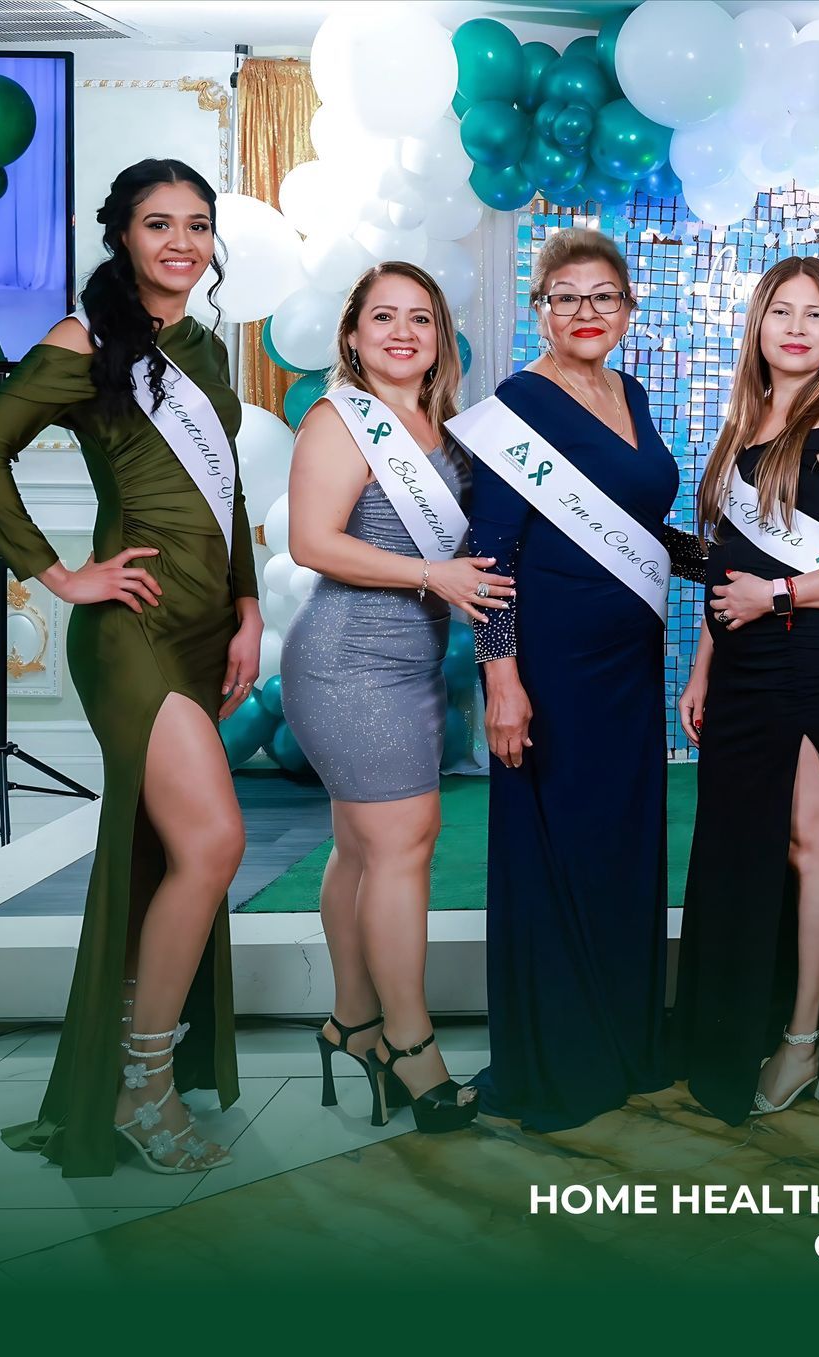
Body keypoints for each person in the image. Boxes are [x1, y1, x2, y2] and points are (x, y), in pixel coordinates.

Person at [0, 160, 260, 1175]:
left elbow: (228, 493)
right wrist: (60, 573)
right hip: (133, 631)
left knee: (168, 852)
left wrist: (247, 606)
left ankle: (130, 1070)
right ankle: (143, 1087)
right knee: (215, 841)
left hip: (205, 627)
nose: (182, 242)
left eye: (197, 224)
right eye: (159, 224)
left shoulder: (204, 347)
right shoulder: (83, 341)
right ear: (120, 236)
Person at [460, 228, 694, 1132]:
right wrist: (503, 680)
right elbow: (490, 555)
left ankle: (624, 1041)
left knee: (618, 845)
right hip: (551, 667)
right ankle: (559, 1060)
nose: (586, 312)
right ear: (541, 311)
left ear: (628, 309)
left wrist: (741, 568)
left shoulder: (630, 393)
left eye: (604, 296)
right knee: (556, 847)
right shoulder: (517, 403)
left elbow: (640, 528)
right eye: (567, 297)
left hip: (630, 664)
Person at [675, 256, 819, 1125]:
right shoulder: (746, 424)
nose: (798, 328)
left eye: (815, 314)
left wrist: (776, 596)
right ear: (758, 326)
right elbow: (726, 563)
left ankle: (807, 1039)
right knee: (747, 841)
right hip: (740, 659)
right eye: (782, 311)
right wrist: (702, 664)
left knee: (812, 840)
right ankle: (740, 1021)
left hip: (813, 655)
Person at [281, 262, 496, 1134]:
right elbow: (310, 541)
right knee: (404, 844)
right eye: (383, 317)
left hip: (411, 662)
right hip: (348, 661)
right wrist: (431, 575)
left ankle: (354, 1023)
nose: (402, 333)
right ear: (353, 335)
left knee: (362, 849)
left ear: (441, 337)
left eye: (420, 318)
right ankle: (412, 1048)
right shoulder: (341, 419)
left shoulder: (448, 430)